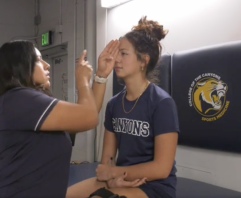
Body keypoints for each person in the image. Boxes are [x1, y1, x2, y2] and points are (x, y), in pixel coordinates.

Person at [0, 39, 119, 198]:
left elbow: (85, 117)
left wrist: (101, 75)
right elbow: (88, 117)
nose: (47, 65)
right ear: (19, 66)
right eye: (39, 60)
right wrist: (82, 81)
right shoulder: (19, 99)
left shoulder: (20, 102)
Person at [66, 16, 180, 198]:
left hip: (153, 187)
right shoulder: (114, 104)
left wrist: (115, 173)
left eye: (124, 53)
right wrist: (112, 180)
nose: (116, 59)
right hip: (118, 178)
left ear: (143, 61)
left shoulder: (161, 103)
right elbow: (107, 160)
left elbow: (161, 168)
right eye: (117, 52)